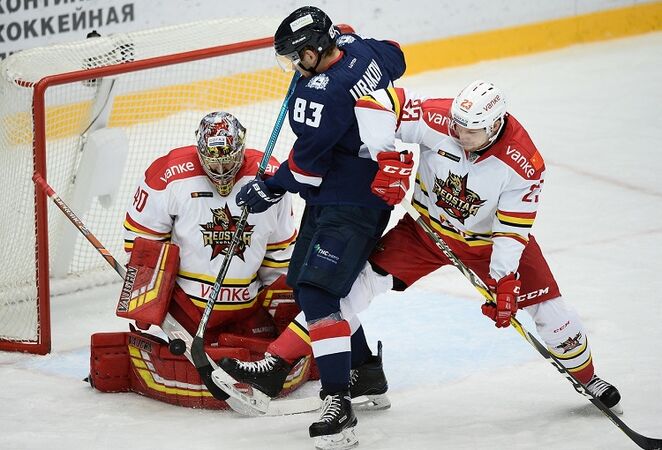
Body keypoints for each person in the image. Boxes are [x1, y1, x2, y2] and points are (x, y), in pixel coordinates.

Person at [226, 80, 623, 418]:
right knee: (348, 292)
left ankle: (589, 380)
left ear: (495, 126)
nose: (459, 134)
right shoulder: (440, 118)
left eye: (470, 131)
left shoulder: (523, 165)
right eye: (457, 125)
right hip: (426, 233)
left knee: (552, 313)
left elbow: (511, 230)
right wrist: (386, 156)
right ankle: (277, 363)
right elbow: (376, 103)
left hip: (488, 245)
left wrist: (504, 281)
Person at [232, 6, 408, 448]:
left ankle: (338, 403)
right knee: (312, 285)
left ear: (314, 51)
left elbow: (305, 171)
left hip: (350, 203)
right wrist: (348, 46)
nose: (293, 66)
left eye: (297, 58)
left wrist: (270, 187)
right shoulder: (360, 50)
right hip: (346, 196)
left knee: (318, 293)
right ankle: (365, 372)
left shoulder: (321, 96)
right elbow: (396, 54)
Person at [88, 111, 308, 409]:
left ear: (242, 149)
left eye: (228, 161)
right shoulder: (168, 176)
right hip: (187, 311)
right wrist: (149, 304)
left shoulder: (269, 179)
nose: (221, 170)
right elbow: (143, 246)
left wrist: (284, 310)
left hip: (247, 308)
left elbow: (279, 254)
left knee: (286, 341)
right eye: (213, 163)